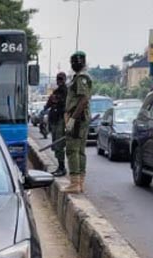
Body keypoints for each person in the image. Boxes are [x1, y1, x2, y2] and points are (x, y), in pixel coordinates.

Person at [64, 51, 92, 193]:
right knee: (80, 151)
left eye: (77, 62)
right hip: (81, 119)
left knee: (72, 150)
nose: (75, 64)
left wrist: (73, 119)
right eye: (73, 62)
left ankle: (75, 182)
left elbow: (83, 99)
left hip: (78, 119)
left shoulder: (81, 78)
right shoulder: (79, 78)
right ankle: (80, 182)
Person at [46, 72, 68, 176]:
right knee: (55, 145)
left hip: (61, 120)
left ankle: (62, 167)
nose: (59, 81)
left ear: (64, 80)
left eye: (61, 79)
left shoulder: (66, 92)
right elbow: (49, 103)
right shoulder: (56, 91)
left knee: (59, 145)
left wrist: (56, 100)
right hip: (54, 120)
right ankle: (59, 166)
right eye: (58, 79)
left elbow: (64, 105)